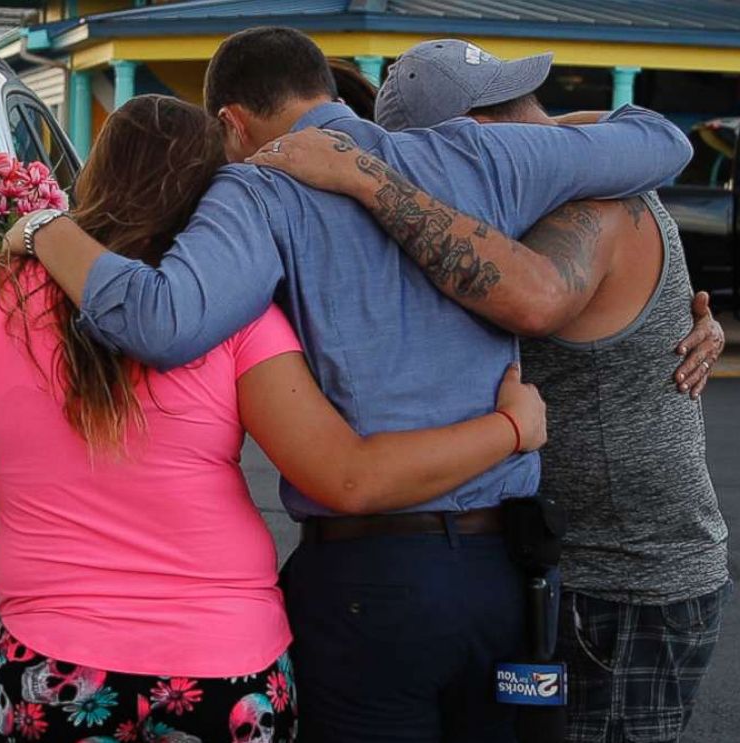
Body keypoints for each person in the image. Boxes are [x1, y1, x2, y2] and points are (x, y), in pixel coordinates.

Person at [1, 27, 698, 742]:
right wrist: (554, 140)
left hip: (371, 584)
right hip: (502, 579)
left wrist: (46, 228)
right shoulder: (480, 151)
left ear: (230, 124)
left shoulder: (257, 186)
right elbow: (664, 141)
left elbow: (159, 319)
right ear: (327, 92)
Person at [0, 96, 550, 743]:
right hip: (228, 675)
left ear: (94, 174)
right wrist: (510, 429)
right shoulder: (235, 312)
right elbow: (349, 476)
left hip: (55, 676)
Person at [248, 38, 731, 743]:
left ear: (471, 139)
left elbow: (532, 298)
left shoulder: (591, 205)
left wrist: (367, 176)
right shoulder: (552, 192)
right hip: (551, 565)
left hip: (626, 580)